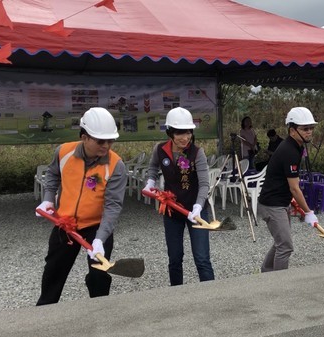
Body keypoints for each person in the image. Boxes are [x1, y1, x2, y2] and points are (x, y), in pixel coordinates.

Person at [35, 107, 127, 305]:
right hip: (65, 225)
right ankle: (43, 315)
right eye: (100, 141)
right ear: (84, 137)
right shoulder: (64, 152)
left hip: (96, 227)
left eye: (111, 140)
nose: (107, 146)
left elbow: (113, 206)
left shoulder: (116, 165)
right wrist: (49, 198)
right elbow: (52, 174)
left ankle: (98, 312)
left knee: (98, 276)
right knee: (53, 274)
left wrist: (100, 239)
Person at [143, 107, 214, 285]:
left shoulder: (197, 153)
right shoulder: (160, 150)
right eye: (180, 133)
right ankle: (177, 296)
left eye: (188, 132)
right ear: (170, 132)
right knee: (174, 258)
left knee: (202, 258)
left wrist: (198, 207)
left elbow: (204, 184)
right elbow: (153, 167)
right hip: (172, 212)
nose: (185, 137)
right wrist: (150, 182)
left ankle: (213, 296)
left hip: (195, 211)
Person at [257, 107, 319, 272]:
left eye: (311, 128)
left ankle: (266, 272)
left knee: (281, 243)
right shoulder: (289, 150)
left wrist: (296, 205)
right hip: (272, 204)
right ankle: (280, 286)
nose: (309, 132)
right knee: (285, 246)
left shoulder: (296, 146)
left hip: (279, 201)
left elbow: (291, 182)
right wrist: (308, 212)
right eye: (305, 129)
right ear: (292, 130)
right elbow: (294, 188)